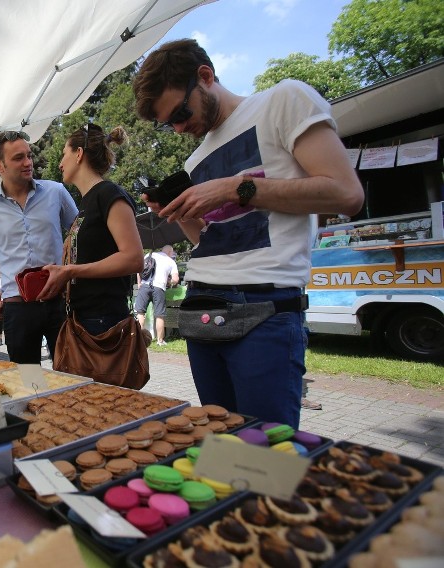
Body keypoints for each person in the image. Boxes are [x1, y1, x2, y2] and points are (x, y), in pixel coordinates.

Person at [132, 39, 364, 428]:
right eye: (167, 123)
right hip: (201, 306)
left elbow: (346, 193)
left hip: (263, 307)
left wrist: (233, 188)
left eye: (180, 112)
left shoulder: (283, 99)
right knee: (225, 447)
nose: (178, 127)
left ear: (205, 77)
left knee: (265, 457)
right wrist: (175, 212)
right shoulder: (196, 157)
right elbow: (211, 242)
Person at [0, 130, 79, 364]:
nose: (28, 163)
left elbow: (79, 237)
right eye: (18, 158)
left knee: (71, 378)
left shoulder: (56, 192)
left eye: (29, 155)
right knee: (29, 385)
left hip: (59, 304)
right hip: (17, 309)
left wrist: (75, 277)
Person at [35, 124, 143, 337]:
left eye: (64, 154)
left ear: (79, 154)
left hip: (104, 323)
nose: (59, 164)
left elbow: (133, 259)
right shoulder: (86, 203)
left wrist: (70, 271)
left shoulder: (108, 194)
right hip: (84, 319)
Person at [134, 245, 180, 345]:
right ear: (169, 252)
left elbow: (139, 270)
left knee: (140, 313)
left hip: (145, 286)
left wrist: (139, 283)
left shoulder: (149, 255)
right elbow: (175, 280)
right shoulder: (170, 261)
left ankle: (139, 339)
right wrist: (168, 282)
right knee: (160, 315)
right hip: (159, 287)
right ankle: (160, 340)